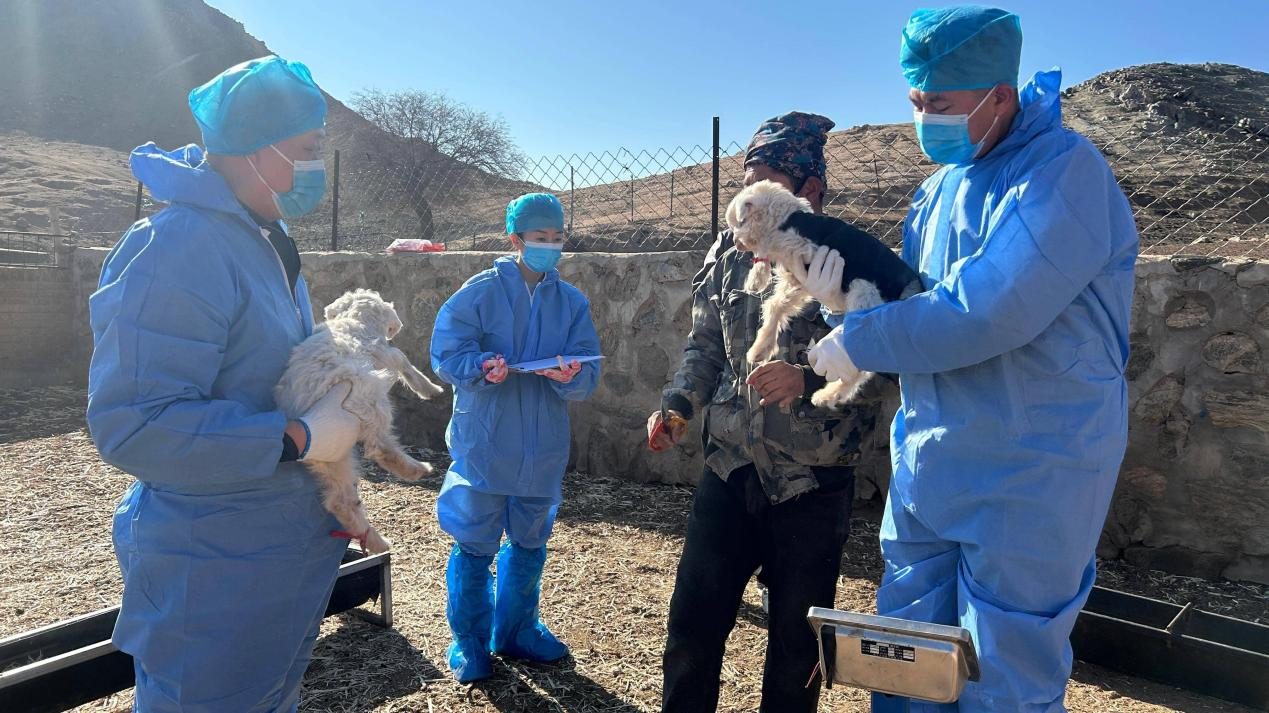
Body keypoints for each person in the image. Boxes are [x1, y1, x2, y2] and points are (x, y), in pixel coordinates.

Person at [802, 7, 1139, 711]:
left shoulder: (1063, 173)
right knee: (906, 659)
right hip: (933, 458)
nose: (925, 118)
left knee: (1003, 669)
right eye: (916, 100)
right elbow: (913, 302)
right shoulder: (938, 190)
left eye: (940, 103)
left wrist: (860, 339)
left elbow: (987, 309)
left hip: (1034, 468)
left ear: (1000, 96)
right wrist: (847, 304)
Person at [87, 56, 361, 712]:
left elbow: (257, 369)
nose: (317, 166)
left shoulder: (264, 237)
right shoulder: (179, 247)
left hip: (269, 556)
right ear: (255, 150)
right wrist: (297, 438)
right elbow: (137, 423)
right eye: (307, 149)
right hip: (212, 568)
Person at [650, 112, 894, 712]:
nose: (750, 201)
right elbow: (705, 345)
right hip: (730, 468)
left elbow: (888, 363)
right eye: (747, 183)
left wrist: (808, 378)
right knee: (692, 631)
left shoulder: (853, 257)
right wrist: (679, 404)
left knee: (795, 654)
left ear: (810, 189)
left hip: (812, 483)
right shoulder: (730, 253)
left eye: (769, 183)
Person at [430, 193, 601, 682]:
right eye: (539, 237)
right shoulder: (479, 292)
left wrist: (571, 374)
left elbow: (588, 365)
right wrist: (482, 366)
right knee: (475, 540)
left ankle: (518, 631)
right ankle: (469, 640)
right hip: (486, 439)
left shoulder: (571, 302)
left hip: (542, 443)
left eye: (557, 237)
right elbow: (446, 353)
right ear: (515, 239)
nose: (550, 246)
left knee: (530, 539)